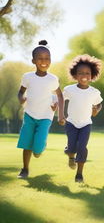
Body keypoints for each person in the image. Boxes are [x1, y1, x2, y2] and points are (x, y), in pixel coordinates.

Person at [17, 40, 65, 179]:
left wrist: (60, 115)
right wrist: (21, 98)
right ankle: (25, 169)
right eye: (40, 58)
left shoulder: (53, 79)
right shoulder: (27, 77)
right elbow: (20, 92)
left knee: (37, 149)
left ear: (50, 60)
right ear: (33, 60)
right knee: (27, 143)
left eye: (47, 58)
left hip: (45, 116)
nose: (44, 61)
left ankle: (39, 148)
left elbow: (60, 96)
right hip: (30, 115)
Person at [63, 55, 103, 183]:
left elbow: (99, 104)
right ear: (75, 75)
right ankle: (70, 154)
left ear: (92, 75)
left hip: (86, 124)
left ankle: (79, 174)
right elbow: (60, 99)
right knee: (72, 148)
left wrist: (96, 110)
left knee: (82, 147)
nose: (84, 75)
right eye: (80, 73)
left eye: (87, 73)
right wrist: (56, 109)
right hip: (71, 123)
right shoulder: (69, 89)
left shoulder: (94, 92)